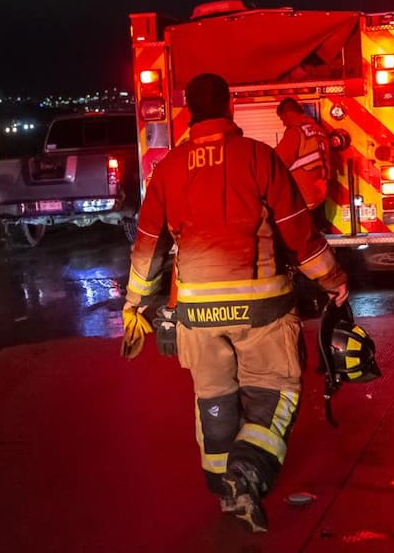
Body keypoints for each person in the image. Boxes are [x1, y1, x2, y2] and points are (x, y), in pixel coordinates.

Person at [120, 73, 349, 534]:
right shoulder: (258, 158)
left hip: (196, 314)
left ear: (189, 111)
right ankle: (246, 476)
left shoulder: (167, 169)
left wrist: (134, 304)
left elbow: (147, 247)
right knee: (274, 391)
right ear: (229, 107)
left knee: (214, 398)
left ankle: (224, 487)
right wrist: (333, 280)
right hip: (262, 309)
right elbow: (298, 235)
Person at [274, 97, 331, 230]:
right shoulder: (318, 130)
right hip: (319, 193)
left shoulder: (295, 132)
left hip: (303, 197)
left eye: (282, 119)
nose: (283, 124)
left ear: (288, 113)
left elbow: (277, 162)